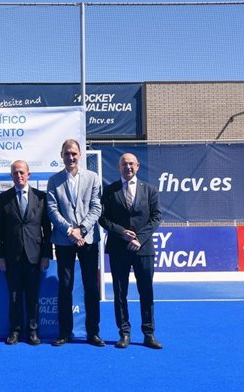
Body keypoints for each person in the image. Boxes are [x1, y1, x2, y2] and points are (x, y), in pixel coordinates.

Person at [99, 153, 163, 349]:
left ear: (138, 166)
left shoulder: (149, 190)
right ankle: (124, 333)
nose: (128, 167)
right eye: (124, 164)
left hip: (143, 249)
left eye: (131, 164)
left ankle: (149, 333)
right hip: (119, 249)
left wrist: (139, 238)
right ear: (119, 167)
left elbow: (156, 217)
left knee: (146, 291)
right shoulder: (110, 191)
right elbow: (103, 218)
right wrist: (120, 232)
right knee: (120, 293)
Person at [46, 139, 104, 347]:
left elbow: (97, 207)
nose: (70, 157)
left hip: (88, 239)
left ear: (80, 155)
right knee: (65, 286)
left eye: (74, 153)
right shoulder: (54, 181)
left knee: (91, 287)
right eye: (67, 153)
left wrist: (82, 229)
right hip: (64, 240)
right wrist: (70, 231)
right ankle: (64, 332)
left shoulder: (93, 178)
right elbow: (52, 210)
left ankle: (93, 332)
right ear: (61, 155)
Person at [0, 160, 52, 346]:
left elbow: (47, 230)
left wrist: (46, 255)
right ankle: (15, 331)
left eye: (22, 172)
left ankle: (33, 331)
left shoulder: (41, 198)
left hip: (34, 256)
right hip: (12, 256)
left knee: (33, 295)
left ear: (29, 175)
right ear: (11, 176)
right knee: (14, 295)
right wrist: (0, 256)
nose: (19, 176)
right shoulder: (3, 199)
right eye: (15, 173)